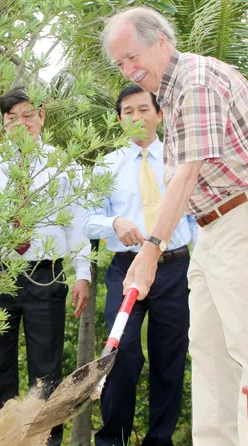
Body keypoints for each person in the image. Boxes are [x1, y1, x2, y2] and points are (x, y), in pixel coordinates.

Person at [101, 7, 248, 446]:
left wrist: (149, 253)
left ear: (161, 42)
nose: (129, 70)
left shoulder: (196, 81)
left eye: (133, 57)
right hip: (213, 229)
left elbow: (187, 173)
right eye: (120, 64)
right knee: (209, 353)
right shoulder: (171, 96)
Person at [83, 84, 197, 446]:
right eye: (128, 111)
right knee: (121, 353)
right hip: (126, 270)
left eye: (144, 109)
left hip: (175, 268)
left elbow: (196, 219)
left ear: (159, 114)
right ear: (119, 119)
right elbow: (85, 220)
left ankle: (160, 440)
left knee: (170, 359)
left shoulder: (179, 161)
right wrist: (113, 223)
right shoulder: (107, 165)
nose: (136, 117)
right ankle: (112, 440)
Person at [0, 86, 91, 446]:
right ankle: (0, 439)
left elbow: (76, 222)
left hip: (46, 274)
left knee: (46, 370)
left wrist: (82, 273)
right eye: (11, 119)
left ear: (41, 117)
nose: (20, 124)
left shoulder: (62, 164)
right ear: (2, 124)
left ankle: (46, 441)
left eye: (27, 115)